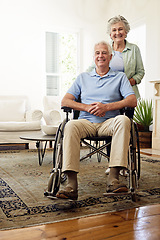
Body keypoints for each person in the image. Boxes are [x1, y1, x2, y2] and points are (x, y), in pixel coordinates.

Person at [56, 41, 137, 200]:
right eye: (98, 53)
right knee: (71, 125)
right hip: (86, 122)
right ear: (93, 57)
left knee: (124, 120)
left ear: (110, 57)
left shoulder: (120, 77)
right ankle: (71, 184)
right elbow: (65, 101)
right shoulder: (83, 78)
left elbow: (132, 100)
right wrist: (86, 107)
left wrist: (106, 107)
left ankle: (113, 179)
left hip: (109, 122)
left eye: (104, 53)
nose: (101, 56)